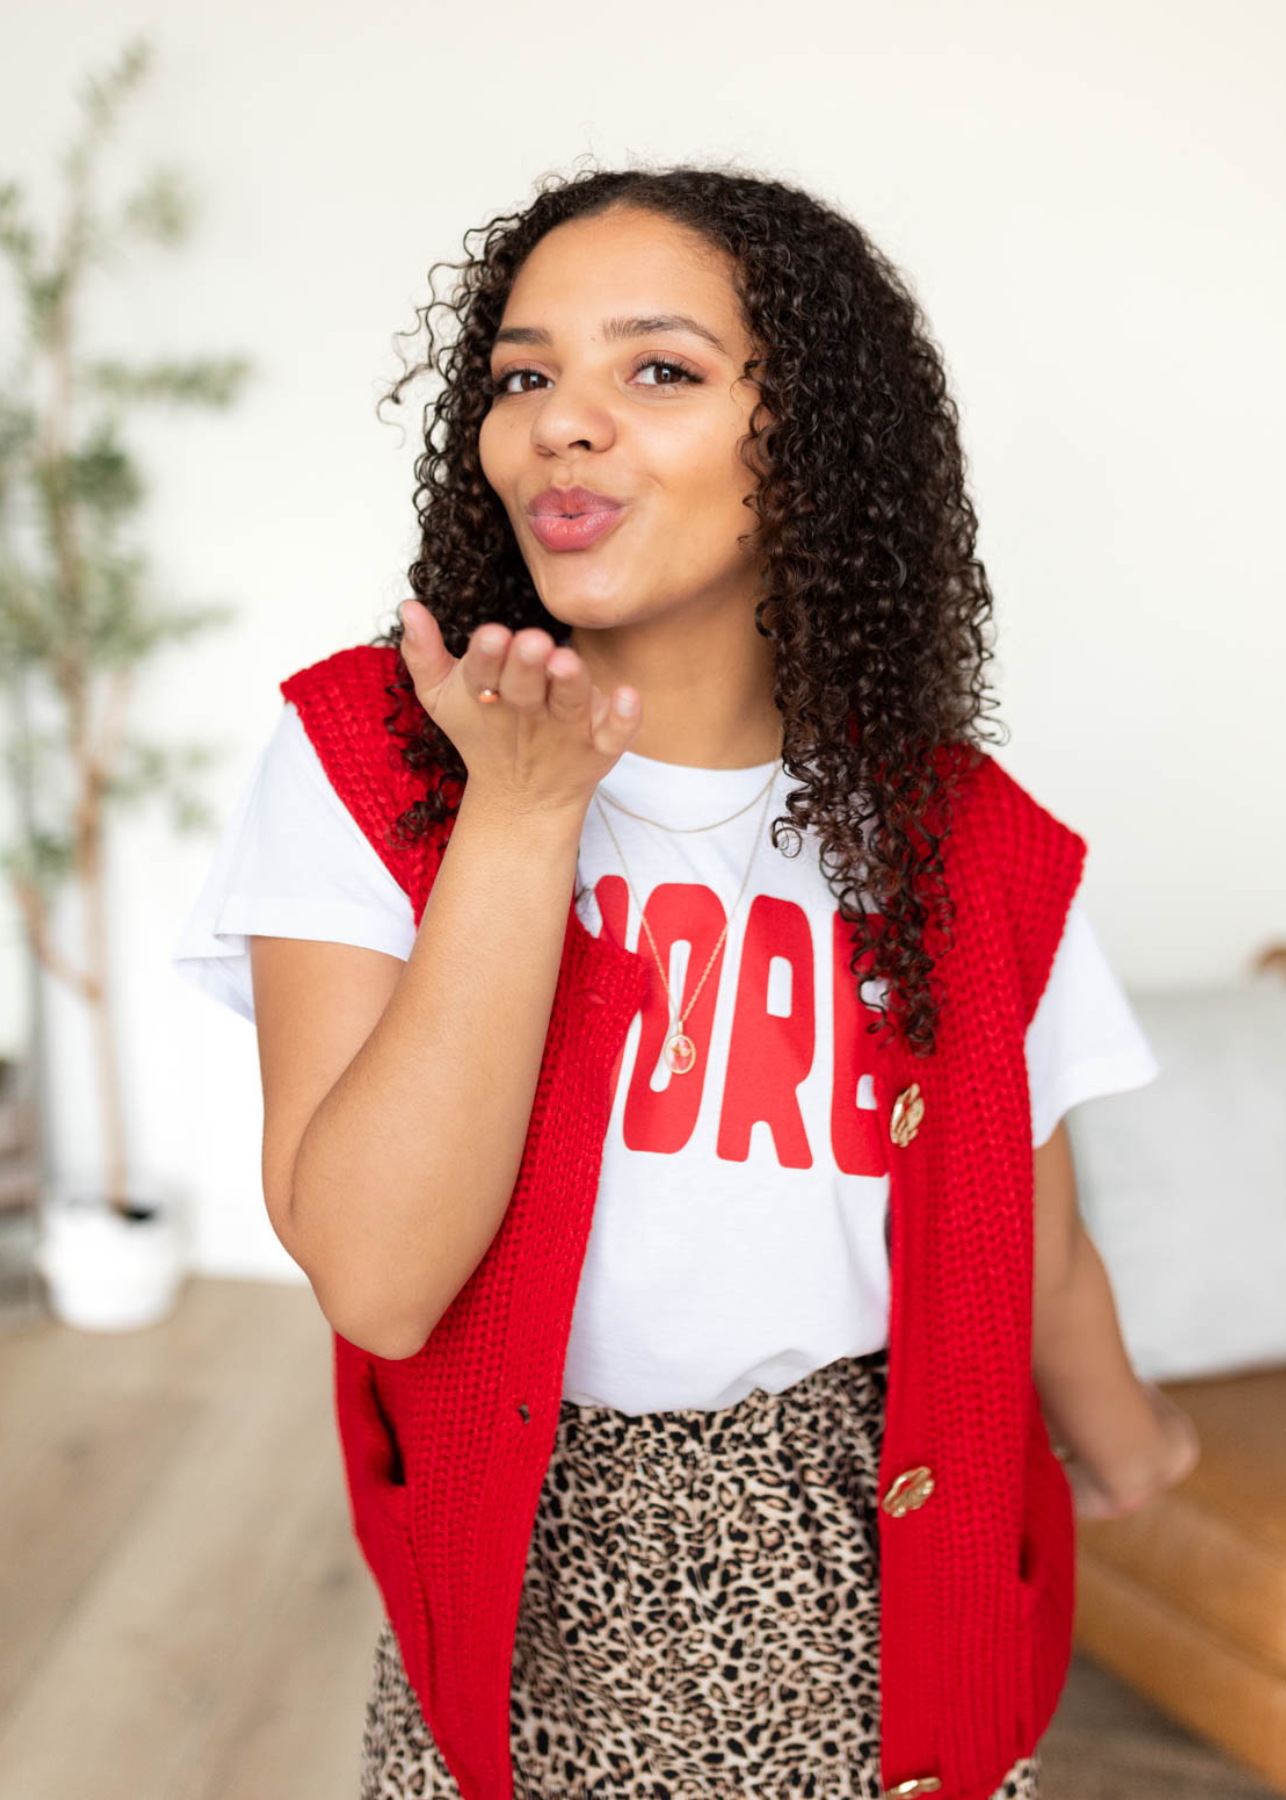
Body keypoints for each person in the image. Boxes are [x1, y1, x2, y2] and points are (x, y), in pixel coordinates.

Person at [171, 165, 1199, 1800]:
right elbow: (375, 1278)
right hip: (525, 1569)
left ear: (810, 450)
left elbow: (1026, 1234)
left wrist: (1133, 1443)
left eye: (658, 370)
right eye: (522, 375)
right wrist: (522, 818)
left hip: (883, 1565)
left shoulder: (974, 849)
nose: (563, 423)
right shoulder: (378, 753)